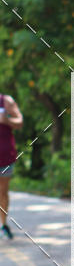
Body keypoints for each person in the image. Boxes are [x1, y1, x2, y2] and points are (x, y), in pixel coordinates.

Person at [0, 93, 23, 240]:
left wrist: (6, 120)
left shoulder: (6, 101)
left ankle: (3, 225)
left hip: (5, 156)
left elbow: (19, 122)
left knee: (2, 192)